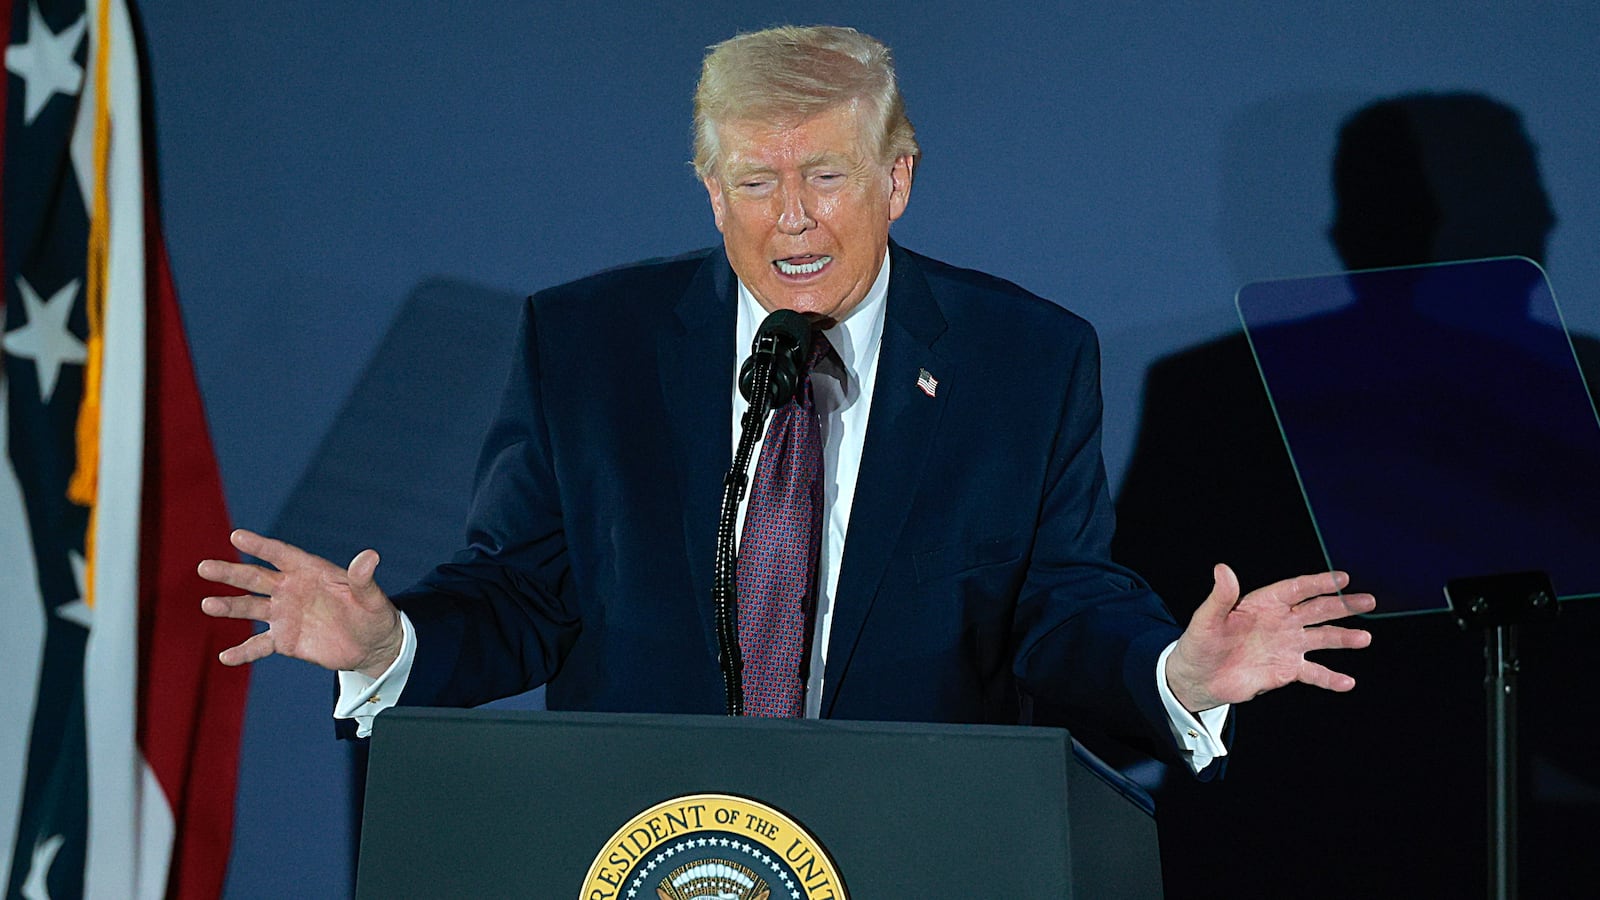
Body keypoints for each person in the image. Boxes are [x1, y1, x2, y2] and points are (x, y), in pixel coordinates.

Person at [198, 25, 1372, 776]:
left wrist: (1174, 672)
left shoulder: (1025, 356)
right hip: (647, 847)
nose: (792, 217)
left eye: (825, 175)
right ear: (712, 191)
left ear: (896, 179)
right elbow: (524, 588)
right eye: (756, 181)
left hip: (906, 844)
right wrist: (392, 639)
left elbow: (1054, 605)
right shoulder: (588, 343)